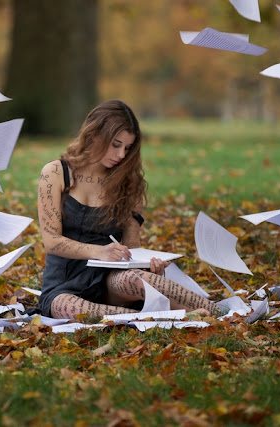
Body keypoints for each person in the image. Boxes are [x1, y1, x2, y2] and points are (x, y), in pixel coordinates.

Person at [37, 100, 220, 319]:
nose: (122, 155)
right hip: (63, 283)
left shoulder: (130, 184)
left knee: (139, 279)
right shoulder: (55, 173)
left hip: (110, 279)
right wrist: (99, 251)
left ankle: (229, 313)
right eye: (116, 144)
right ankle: (167, 317)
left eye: (127, 147)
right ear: (95, 134)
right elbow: (52, 241)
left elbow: (133, 246)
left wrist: (148, 267)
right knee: (68, 308)